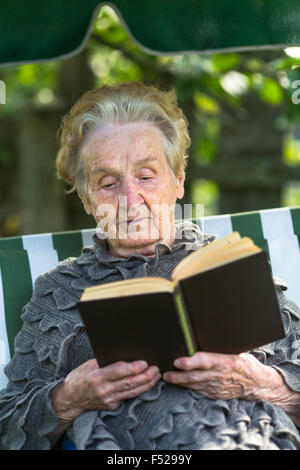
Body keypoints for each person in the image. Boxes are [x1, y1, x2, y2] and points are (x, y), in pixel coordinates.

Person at [0, 81, 300, 450]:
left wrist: (259, 382)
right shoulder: (58, 293)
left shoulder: (230, 266)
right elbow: (8, 426)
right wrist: (70, 397)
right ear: (86, 198)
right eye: (108, 183)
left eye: (145, 177)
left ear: (178, 181)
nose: (129, 199)